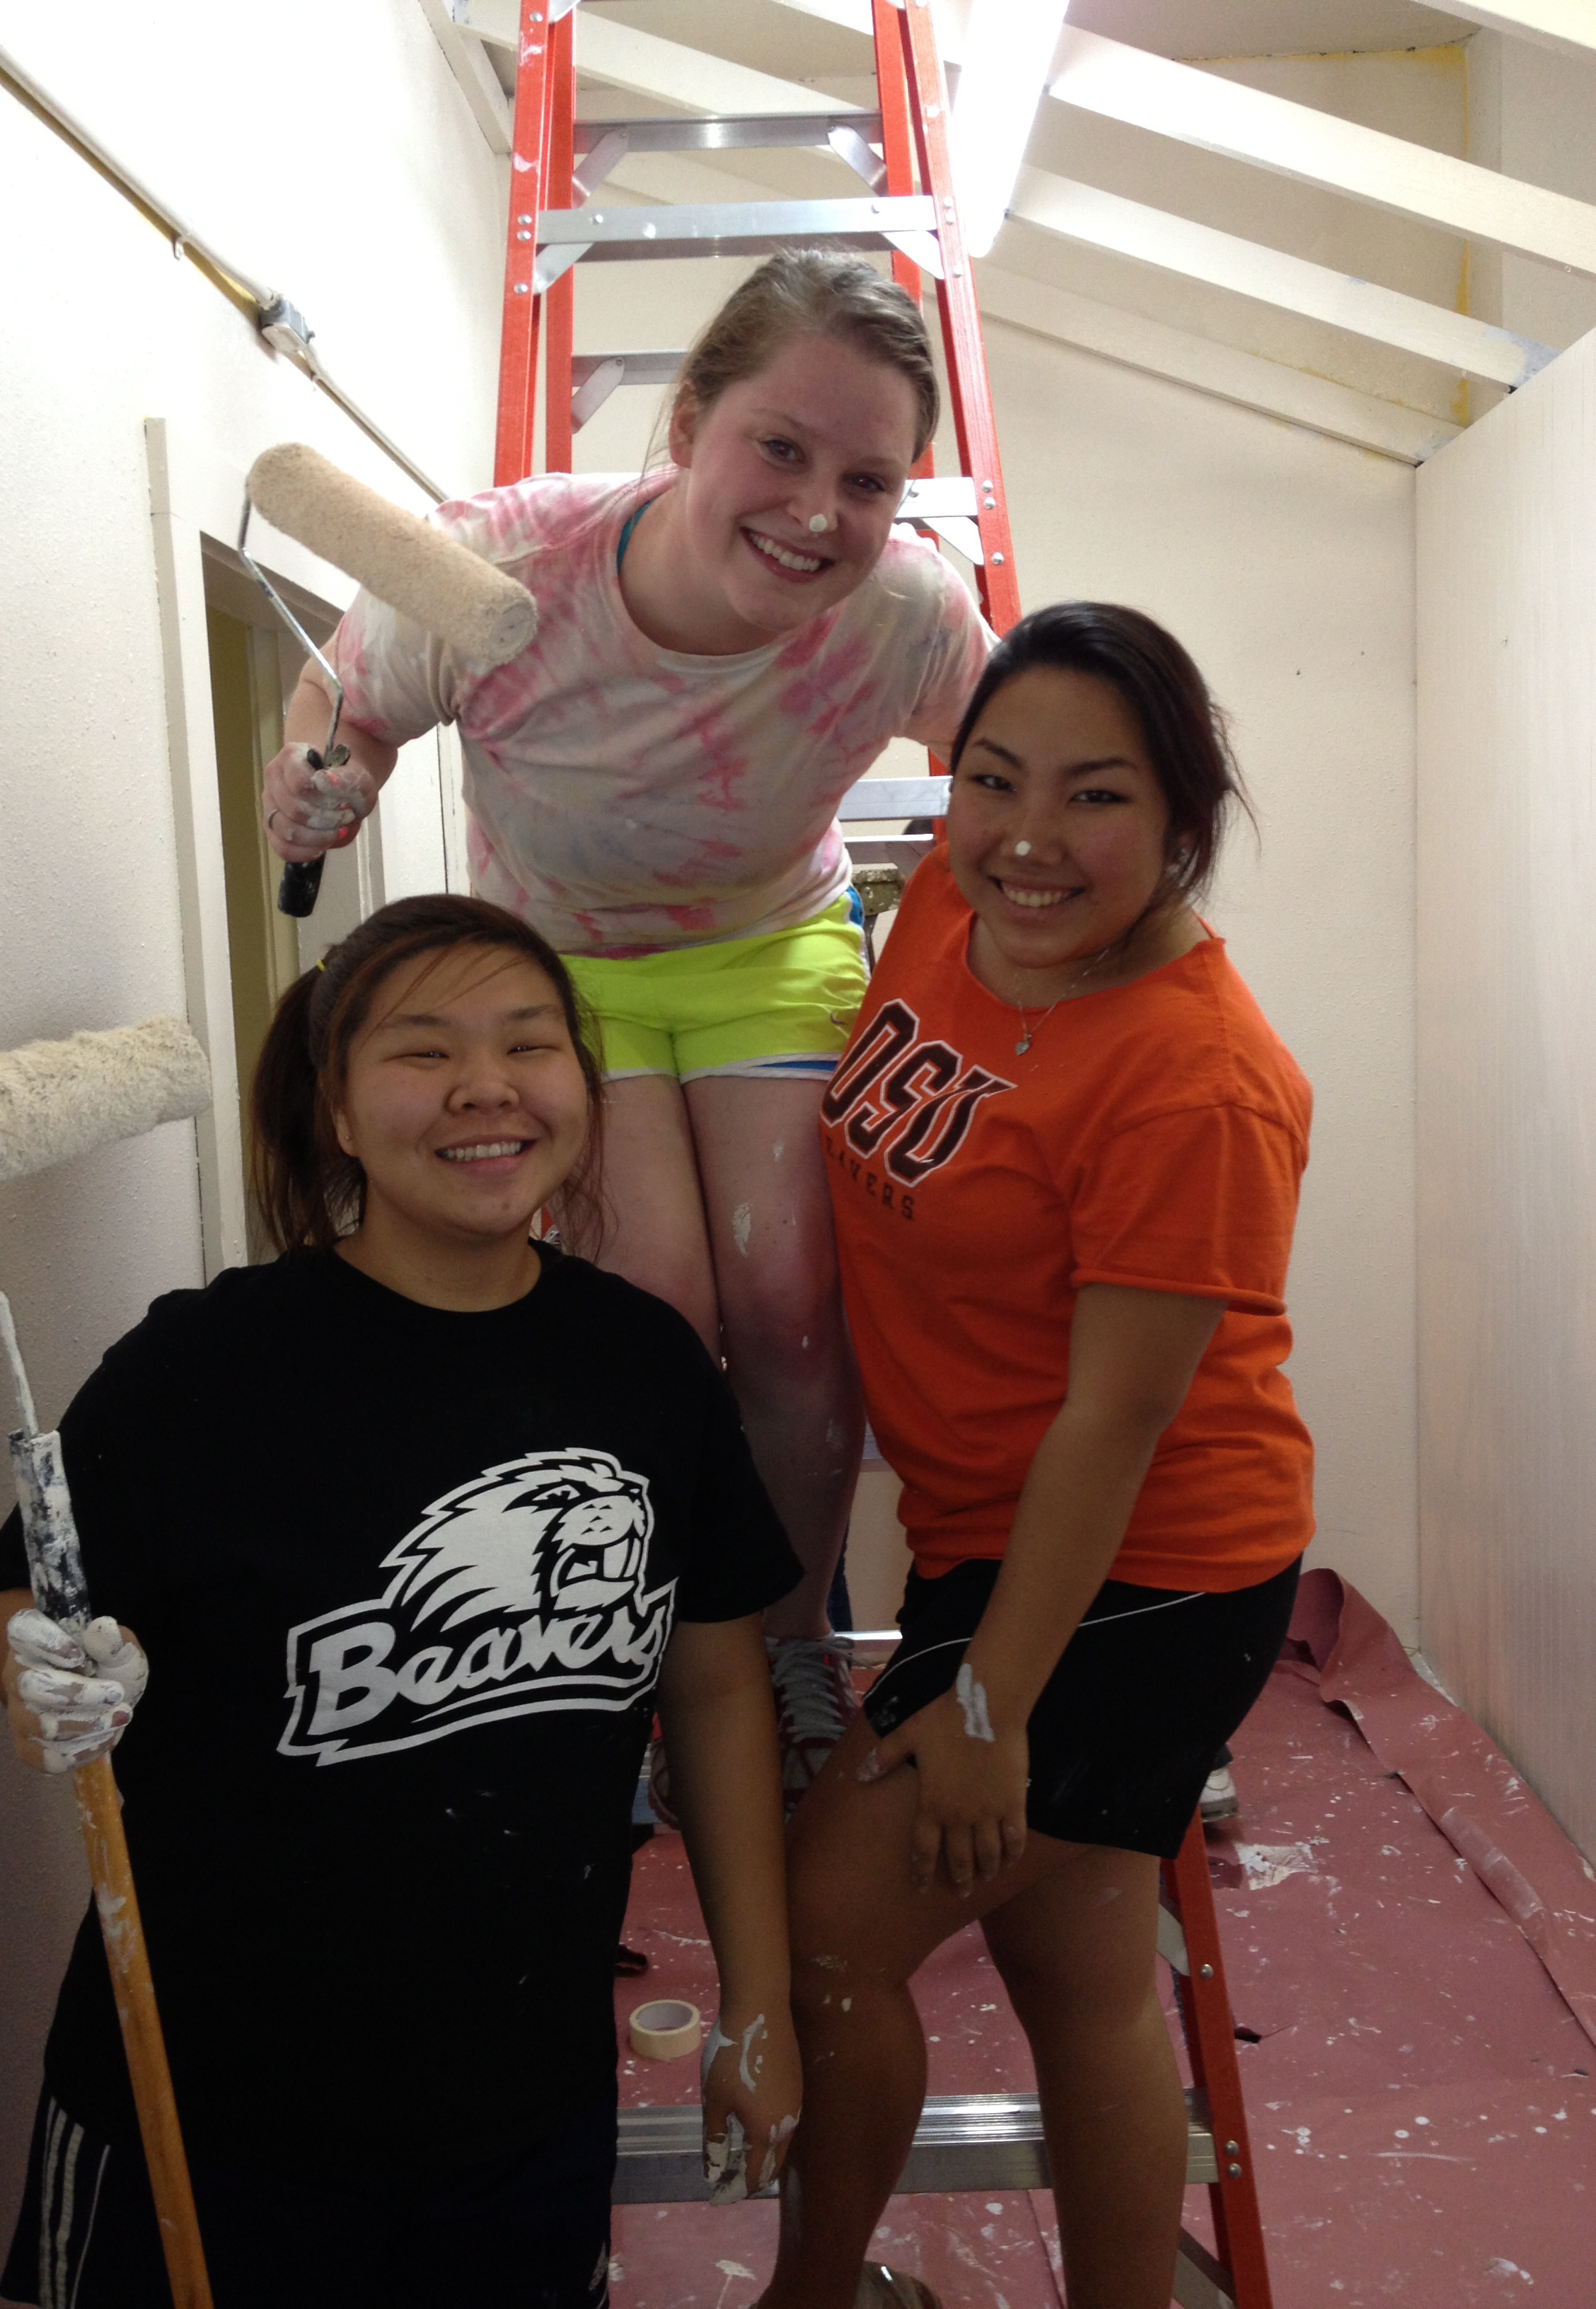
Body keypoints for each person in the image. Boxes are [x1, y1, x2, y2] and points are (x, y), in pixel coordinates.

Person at [0, 894, 804, 2309]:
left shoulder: (646, 1368)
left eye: (528, 1044)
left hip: (523, 2111)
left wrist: (758, 2001)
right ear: (339, 1110)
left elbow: (716, 1691)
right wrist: (37, 1669)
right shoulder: (206, 1370)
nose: (486, 1087)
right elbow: (4, 1602)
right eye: (424, 1051)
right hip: (210, 2118)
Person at [262, 253, 993, 1797]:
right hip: (557, 968)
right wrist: (319, 784)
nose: (817, 512)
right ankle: (662, 1654)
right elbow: (347, 709)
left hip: (767, 947)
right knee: (657, 1306)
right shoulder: (502, 568)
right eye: (779, 448)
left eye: (868, 481)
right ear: (686, 426)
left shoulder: (909, 614)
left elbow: (1017, 752)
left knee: (791, 1294)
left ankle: (788, 1643)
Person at [761, 605, 1314, 2309]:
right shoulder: (956, 905)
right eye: (995, 780)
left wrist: (991, 1710)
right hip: (990, 1539)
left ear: (1183, 816)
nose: (1028, 838)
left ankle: (813, 2299)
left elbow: (1115, 1424)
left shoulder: (1195, 1081)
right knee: (1080, 1975)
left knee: (828, 1932)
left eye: (1097, 796)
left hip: (1144, 1574)